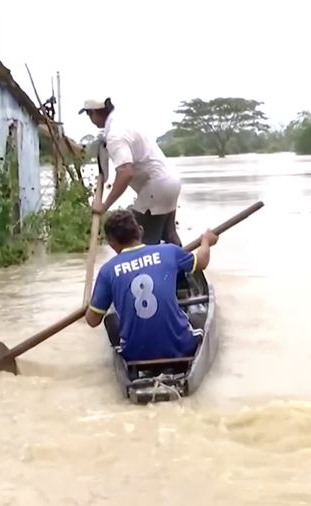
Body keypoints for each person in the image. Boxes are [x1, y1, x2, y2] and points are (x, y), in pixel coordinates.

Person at [84, 210, 218, 362]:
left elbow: (92, 321)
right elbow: (202, 262)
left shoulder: (107, 271)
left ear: (111, 243)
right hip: (181, 347)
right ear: (140, 231)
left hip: (134, 354)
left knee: (112, 320)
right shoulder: (169, 251)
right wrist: (206, 241)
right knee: (197, 319)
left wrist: (93, 304)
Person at [79, 97, 183, 246]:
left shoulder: (115, 135)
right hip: (171, 182)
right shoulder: (120, 122)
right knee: (170, 234)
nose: (90, 120)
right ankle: (186, 261)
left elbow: (125, 173)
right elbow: (108, 173)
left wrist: (104, 206)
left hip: (156, 186)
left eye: (89, 114)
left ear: (94, 113)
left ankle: (157, 260)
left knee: (138, 241)